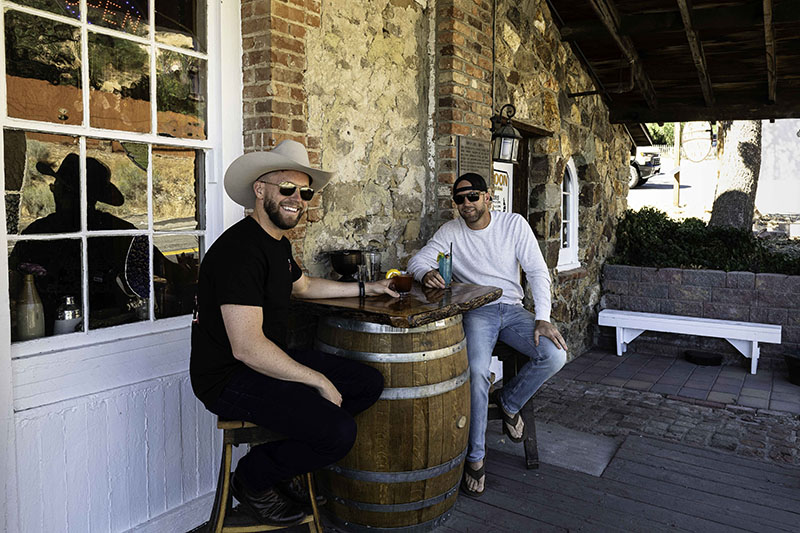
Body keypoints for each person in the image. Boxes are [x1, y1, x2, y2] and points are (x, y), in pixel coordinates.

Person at [190, 140, 398, 527]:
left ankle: (284, 463)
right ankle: (253, 479)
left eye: (305, 192)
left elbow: (302, 287)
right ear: (260, 189)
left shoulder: (276, 244)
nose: (298, 199)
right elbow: (247, 348)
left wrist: (368, 289)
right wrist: (316, 381)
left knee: (366, 383)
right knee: (338, 432)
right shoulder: (239, 252)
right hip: (228, 378)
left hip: (263, 360)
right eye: (287, 189)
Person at [407, 172, 567, 498]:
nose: (466, 204)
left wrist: (542, 318)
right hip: (477, 311)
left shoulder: (513, 224)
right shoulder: (450, 231)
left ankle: (508, 401)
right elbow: (417, 260)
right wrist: (427, 273)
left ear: (488, 196)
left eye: (473, 196)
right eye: (460, 199)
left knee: (555, 354)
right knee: (478, 371)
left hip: (512, 308)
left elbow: (537, 271)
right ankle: (476, 457)